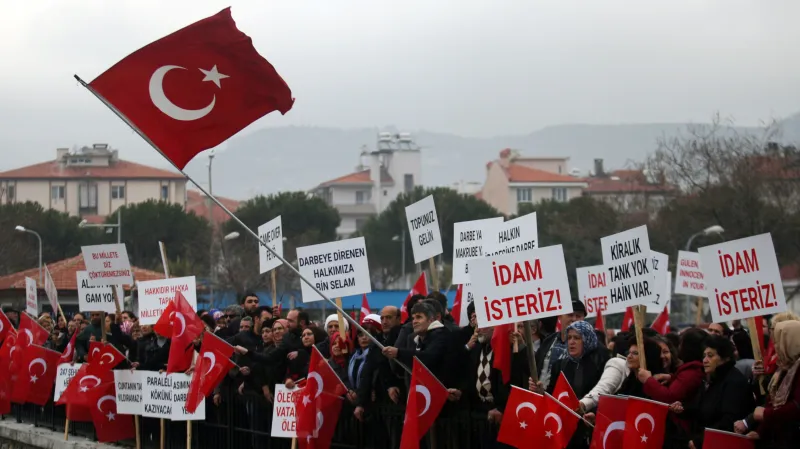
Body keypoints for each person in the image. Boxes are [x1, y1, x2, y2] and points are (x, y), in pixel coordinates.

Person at [671, 335, 754, 449]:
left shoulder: (735, 382)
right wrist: (682, 409)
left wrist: (700, 440)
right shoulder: (713, 378)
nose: (705, 360)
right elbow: (703, 409)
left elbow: (728, 421)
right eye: (704, 356)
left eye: (710, 356)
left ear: (725, 358)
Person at [735, 320, 800, 447]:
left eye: (779, 341)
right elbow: (772, 401)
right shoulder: (784, 366)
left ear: (791, 342)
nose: (775, 346)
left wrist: (765, 414)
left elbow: (796, 407)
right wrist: (761, 431)